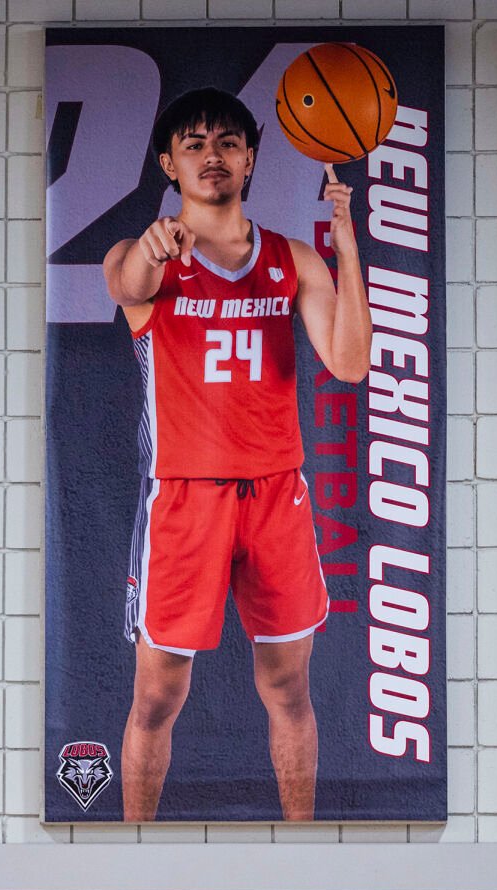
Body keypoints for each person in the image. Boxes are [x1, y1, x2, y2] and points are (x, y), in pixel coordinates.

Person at [102, 88, 372, 821]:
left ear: (250, 158)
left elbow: (348, 362)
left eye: (226, 141)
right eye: (193, 143)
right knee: (157, 694)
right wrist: (151, 247)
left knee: (288, 689)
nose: (211, 155)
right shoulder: (145, 257)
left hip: (277, 494)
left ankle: (304, 849)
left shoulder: (292, 257)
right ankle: (133, 853)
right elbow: (126, 281)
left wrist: (344, 242)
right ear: (168, 162)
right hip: (184, 497)